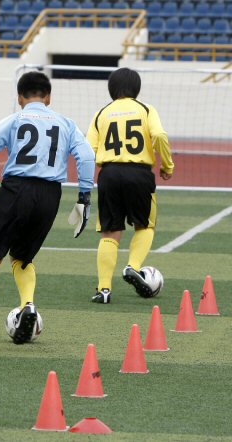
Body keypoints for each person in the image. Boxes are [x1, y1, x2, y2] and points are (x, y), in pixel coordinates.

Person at [0, 71, 95, 348]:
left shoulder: (15, 119)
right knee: (22, 257)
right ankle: (28, 306)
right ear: (48, 97)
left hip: (16, 190)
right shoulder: (67, 123)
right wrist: (84, 196)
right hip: (50, 195)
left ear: (20, 98)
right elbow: (86, 156)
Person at [87, 67, 174, 304]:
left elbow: (88, 149)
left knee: (110, 232)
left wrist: (87, 182)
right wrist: (167, 165)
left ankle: (104, 290)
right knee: (144, 226)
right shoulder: (146, 109)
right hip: (139, 173)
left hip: (109, 174)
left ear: (111, 89)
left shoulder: (101, 113)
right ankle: (133, 267)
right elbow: (159, 136)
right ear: (137, 89)